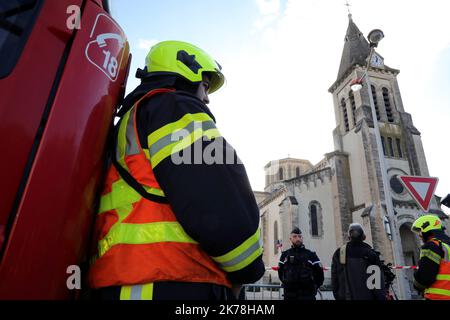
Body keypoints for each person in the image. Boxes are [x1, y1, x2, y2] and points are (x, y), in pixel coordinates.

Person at [88, 40, 265, 300]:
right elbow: (217, 195)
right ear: (185, 70)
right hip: (174, 280)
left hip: (127, 281)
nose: (206, 98)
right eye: (205, 86)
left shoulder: (133, 119)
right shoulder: (172, 107)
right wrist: (248, 269)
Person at [331, 223, 386, 300]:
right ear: (363, 237)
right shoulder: (371, 254)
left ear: (349, 236)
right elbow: (377, 283)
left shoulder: (339, 253)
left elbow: (334, 280)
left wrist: (338, 296)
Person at [278, 228, 324, 300]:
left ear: (302, 238)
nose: (298, 239)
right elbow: (280, 273)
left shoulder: (311, 255)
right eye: (295, 236)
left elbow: (319, 273)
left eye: (299, 236)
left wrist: (314, 287)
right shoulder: (285, 255)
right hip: (289, 296)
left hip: (307, 296)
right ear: (290, 239)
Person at [411, 214, 450, 300]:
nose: (420, 235)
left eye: (420, 231)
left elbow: (425, 276)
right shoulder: (447, 246)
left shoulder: (431, 246)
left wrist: (416, 284)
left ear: (427, 229)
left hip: (437, 296)